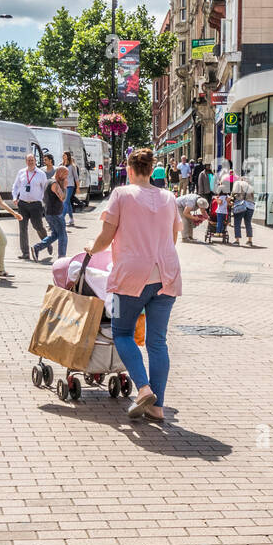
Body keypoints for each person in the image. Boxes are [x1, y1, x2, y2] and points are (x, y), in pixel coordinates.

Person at [86, 148, 181, 422]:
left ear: (129, 169)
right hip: (167, 275)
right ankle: (157, 406)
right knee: (157, 342)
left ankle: (143, 388)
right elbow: (173, 238)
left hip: (129, 277)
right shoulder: (168, 197)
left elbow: (106, 236)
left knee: (122, 332)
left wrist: (91, 249)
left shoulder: (121, 195)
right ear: (152, 170)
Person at [11, 153, 49, 260]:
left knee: (38, 226)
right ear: (26, 161)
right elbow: (15, 186)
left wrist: (43, 201)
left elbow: (45, 189)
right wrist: (15, 197)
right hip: (22, 204)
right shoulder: (21, 173)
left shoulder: (41, 174)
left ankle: (47, 242)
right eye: (28, 160)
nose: (30, 162)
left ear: (35, 161)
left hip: (36, 205)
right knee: (22, 229)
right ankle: (25, 253)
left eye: (32, 160)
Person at [31, 166, 70, 263]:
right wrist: (64, 187)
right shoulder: (54, 184)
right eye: (65, 175)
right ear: (60, 173)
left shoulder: (50, 182)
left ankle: (37, 248)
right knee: (63, 236)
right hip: (55, 214)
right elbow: (62, 198)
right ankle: (62, 259)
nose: (66, 177)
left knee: (55, 235)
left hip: (51, 213)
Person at [231, 174, 256, 247]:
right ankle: (250, 240)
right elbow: (253, 198)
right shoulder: (251, 187)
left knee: (237, 223)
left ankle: (237, 240)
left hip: (240, 205)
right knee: (248, 223)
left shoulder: (238, 184)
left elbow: (234, 194)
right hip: (250, 207)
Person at [62, 151, 81, 225]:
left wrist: (78, 187)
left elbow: (76, 177)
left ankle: (61, 218)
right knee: (68, 203)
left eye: (65, 155)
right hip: (63, 186)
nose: (63, 156)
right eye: (63, 155)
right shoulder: (61, 165)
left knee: (65, 201)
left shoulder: (72, 166)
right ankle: (71, 218)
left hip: (70, 186)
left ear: (68, 156)